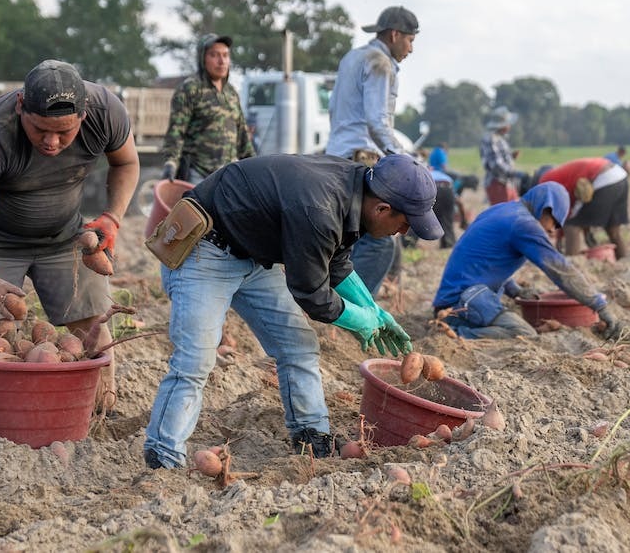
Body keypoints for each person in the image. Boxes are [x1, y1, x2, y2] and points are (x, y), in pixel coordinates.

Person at [143, 153, 442, 468]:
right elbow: (311, 293)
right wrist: (360, 320)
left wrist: (374, 310)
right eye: (405, 223)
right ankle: (163, 457)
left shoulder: (357, 189)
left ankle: (312, 439)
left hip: (253, 255)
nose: (404, 233)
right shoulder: (321, 207)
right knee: (195, 358)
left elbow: (336, 262)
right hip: (205, 248)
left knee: (298, 346)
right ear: (382, 208)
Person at [0, 59, 139, 409]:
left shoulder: (105, 111)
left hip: (64, 237)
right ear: (21, 106)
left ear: (83, 116)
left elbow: (126, 162)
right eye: (40, 130)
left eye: (64, 132)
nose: (51, 142)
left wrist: (112, 217)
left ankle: (101, 411)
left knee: (94, 326)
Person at [432, 182, 623, 339]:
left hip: (462, 298)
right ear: (545, 208)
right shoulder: (524, 224)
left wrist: (516, 290)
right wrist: (600, 306)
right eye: (554, 222)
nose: (552, 230)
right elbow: (561, 270)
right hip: (461, 304)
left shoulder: (504, 211)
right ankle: (457, 333)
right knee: (524, 333)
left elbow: (488, 262)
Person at [324, 6, 419, 295]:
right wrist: (405, 161)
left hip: (337, 155)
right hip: (361, 159)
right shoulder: (381, 63)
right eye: (410, 40)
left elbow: (333, 109)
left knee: (350, 237)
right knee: (378, 240)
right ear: (395, 34)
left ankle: (344, 302)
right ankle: (353, 308)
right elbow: (377, 123)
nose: (411, 49)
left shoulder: (352, 57)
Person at [160, 34, 253, 183]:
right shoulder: (190, 89)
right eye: (214, 55)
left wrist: (253, 164)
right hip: (197, 173)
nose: (221, 61)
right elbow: (176, 132)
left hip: (227, 175)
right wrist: (171, 163)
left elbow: (242, 134)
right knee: (197, 207)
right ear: (203, 58)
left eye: (225, 55)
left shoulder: (231, 93)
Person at [537, 157, 630, 259]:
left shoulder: (544, 183)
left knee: (571, 226)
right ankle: (624, 263)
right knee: (613, 230)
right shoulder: (560, 177)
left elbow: (566, 212)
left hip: (603, 178)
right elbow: (575, 207)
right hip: (620, 176)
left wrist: (560, 236)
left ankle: (572, 266)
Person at [481, 106, 520, 204]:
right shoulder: (491, 138)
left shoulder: (500, 138)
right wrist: (513, 172)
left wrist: (510, 157)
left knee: (513, 213)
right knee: (503, 216)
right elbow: (496, 165)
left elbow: (498, 158)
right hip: (498, 183)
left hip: (507, 182)